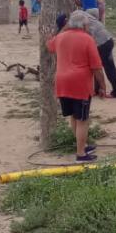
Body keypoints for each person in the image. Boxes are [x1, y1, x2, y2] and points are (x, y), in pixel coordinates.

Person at [46, 11, 107, 162]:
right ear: (84, 25)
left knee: (74, 116)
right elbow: (96, 67)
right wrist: (102, 85)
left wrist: (63, 28)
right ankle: (81, 153)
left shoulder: (60, 37)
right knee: (83, 120)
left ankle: (82, 145)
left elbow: (49, 46)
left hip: (62, 83)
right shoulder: (87, 39)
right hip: (80, 84)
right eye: (87, 24)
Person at [83, 9, 116, 98]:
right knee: (102, 66)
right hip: (108, 41)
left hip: (103, 44)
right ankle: (98, 90)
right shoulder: (96, 22)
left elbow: (89, 36)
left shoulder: (87, 22)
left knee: (104, 67)